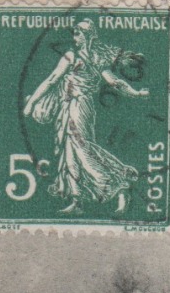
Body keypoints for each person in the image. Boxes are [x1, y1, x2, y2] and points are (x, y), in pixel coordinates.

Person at [20, 19, 149, 215]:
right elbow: (52, 80)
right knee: (71, 151)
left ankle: (119, 183)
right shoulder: (88, 58)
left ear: (87, 36)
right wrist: (136, 92)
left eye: (78, 33)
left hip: (79, 107)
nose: (75, 37)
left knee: (81, 149)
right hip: (70, 106)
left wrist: (136, 93)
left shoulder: (82, 57)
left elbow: (114, 82)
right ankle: (77, 200)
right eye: (74, 33)